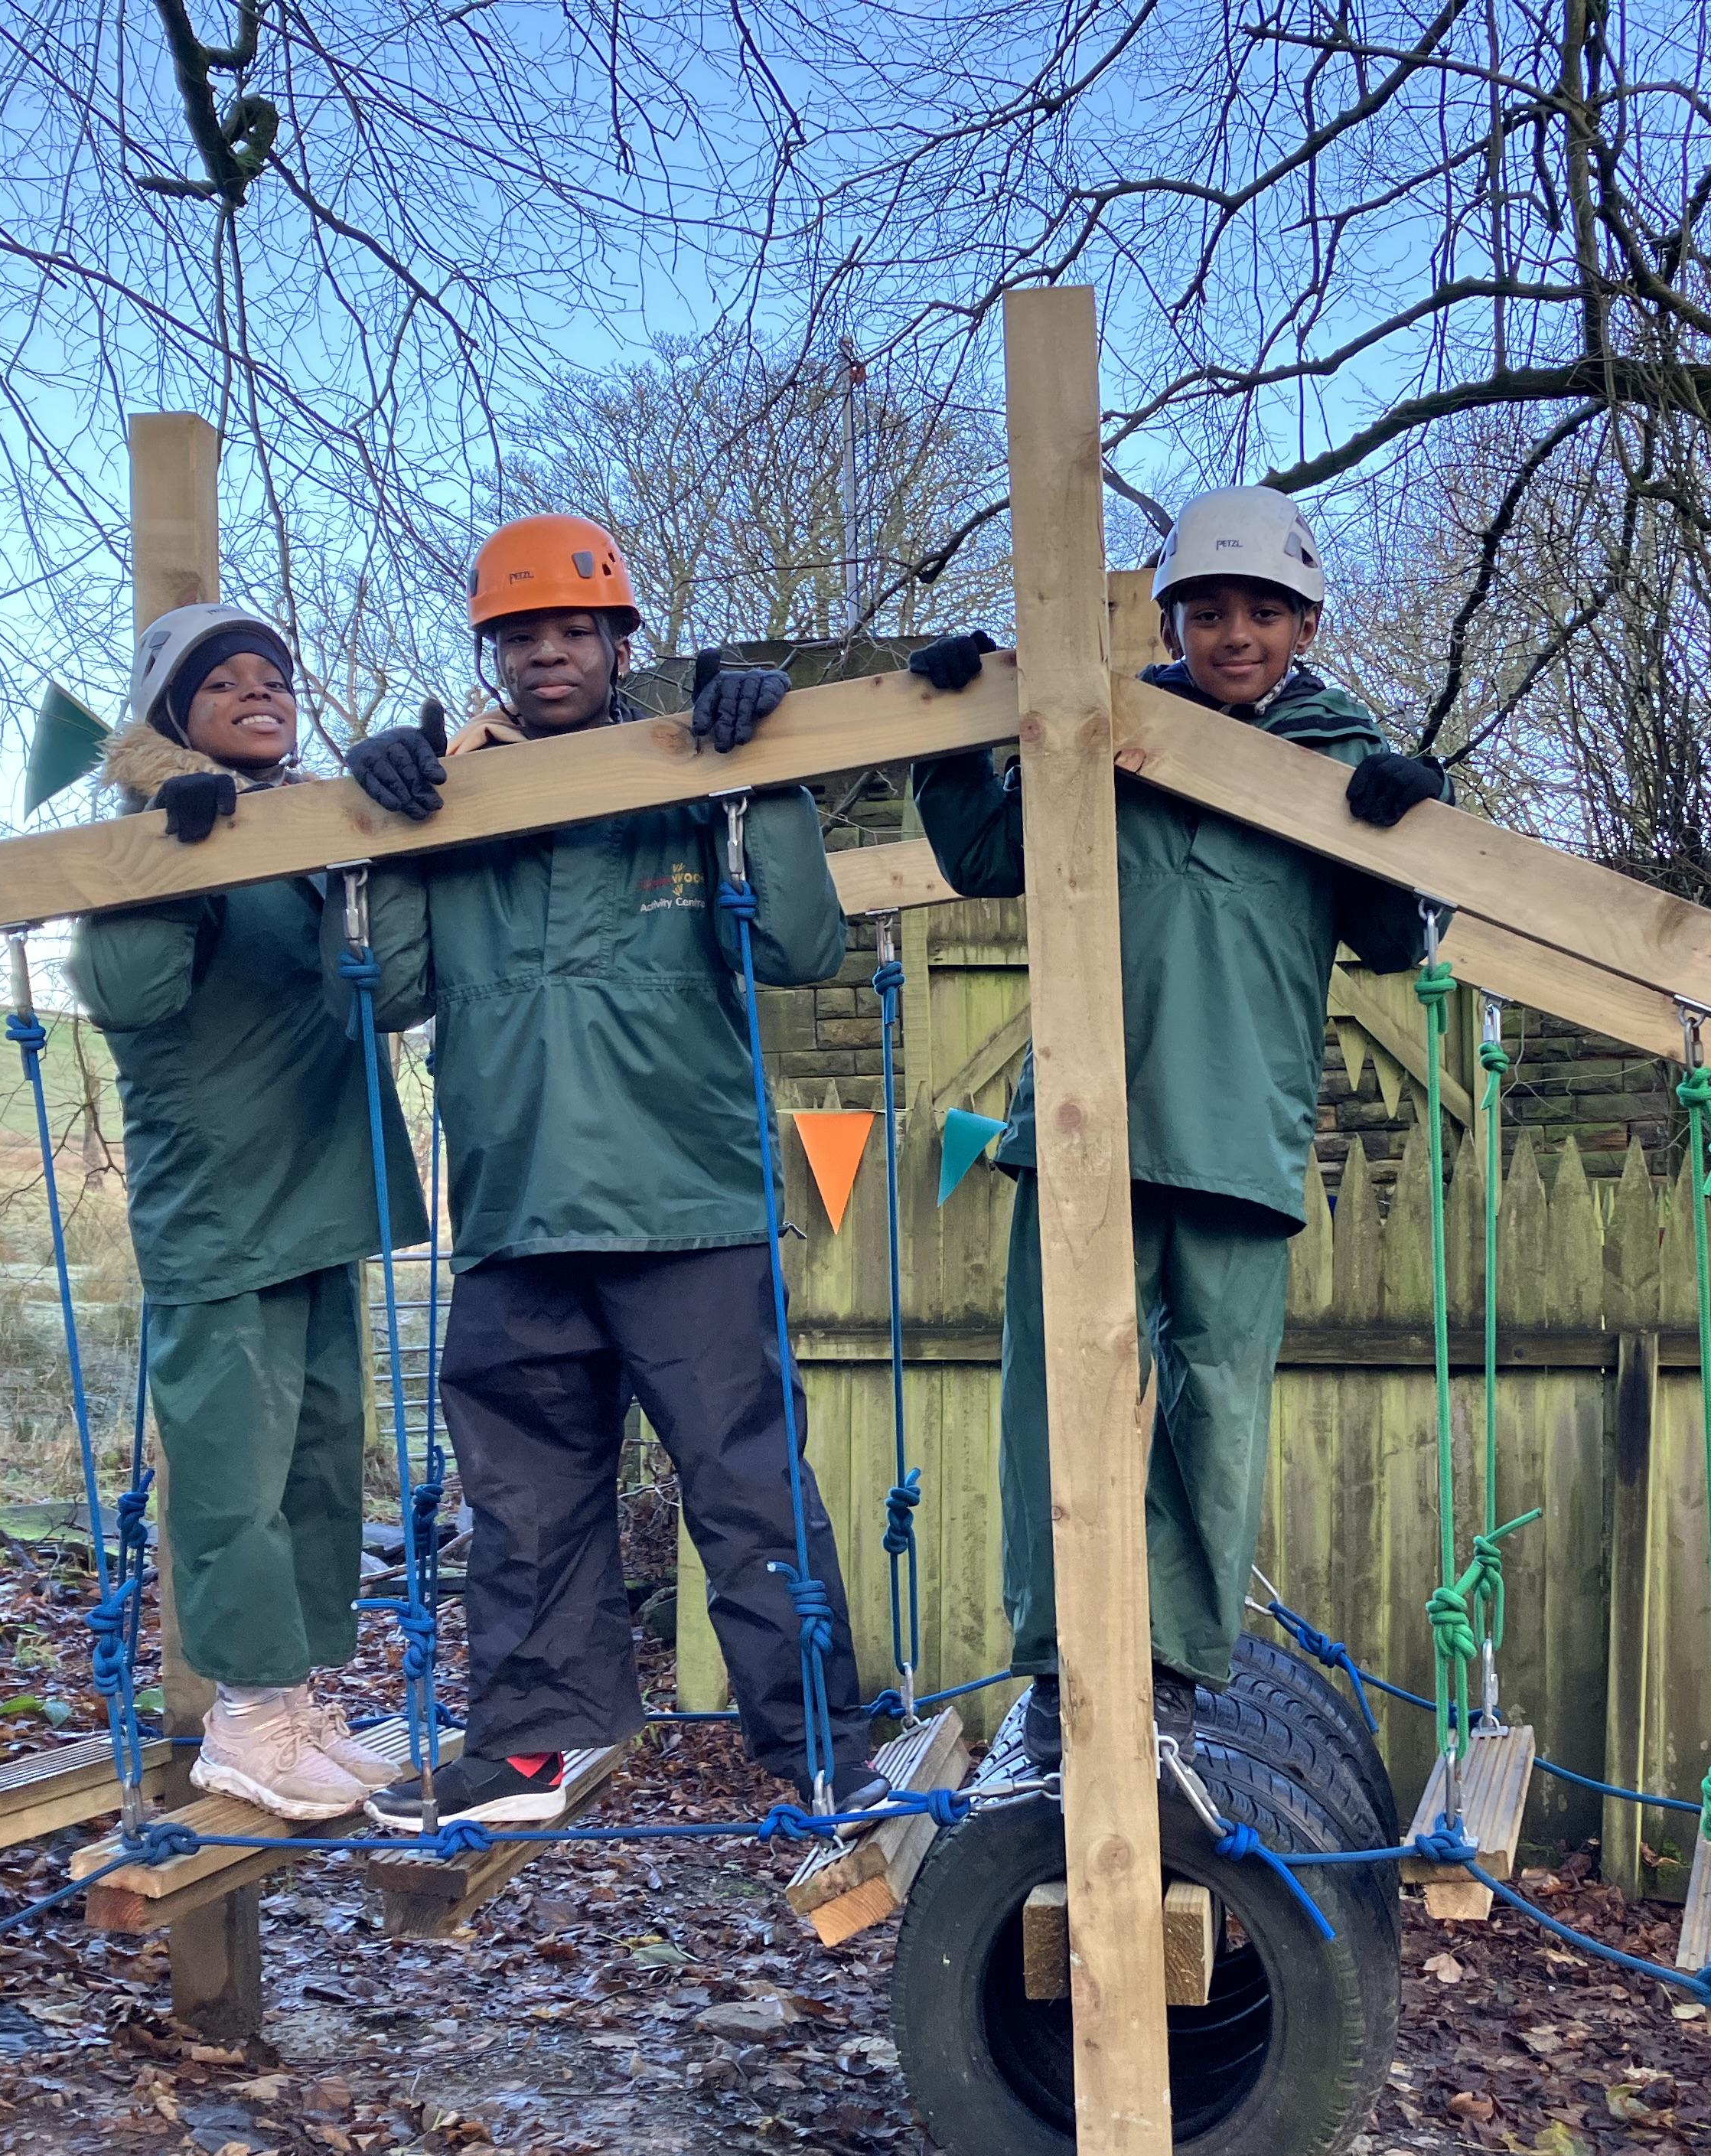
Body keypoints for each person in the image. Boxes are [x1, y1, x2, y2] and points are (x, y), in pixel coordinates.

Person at [337, 514, 880, 1828]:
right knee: (520, 1507)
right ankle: (530, 1749)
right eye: (519, 635)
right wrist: (382, 831)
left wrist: (763, 776)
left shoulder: (686, 777)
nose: (547, 654)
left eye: (573, 630)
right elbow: (390, 991)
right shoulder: (455, 805)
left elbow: (802, 946)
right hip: (517, 1217)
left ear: (621, 644)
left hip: (691, 1208)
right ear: (493, 656)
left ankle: (823, 1747)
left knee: (748, 1493)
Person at [905, 484, 1453, 1767]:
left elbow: (1396, 940)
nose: (1234, 634)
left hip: (1239, 1135)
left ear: (1307, 627)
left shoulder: (1335, 757)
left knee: (1216, 1417)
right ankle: (1064, 1666)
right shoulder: (1103, 734)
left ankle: (1179, 1668)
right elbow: (984, 855)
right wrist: (950, 726)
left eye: (1263, 611)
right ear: (1171, 625)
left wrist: (1407, 824)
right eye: (1207, 612)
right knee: (1058, 1402)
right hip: (1080, 1129)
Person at [67, 604, 427, 1819]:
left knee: (319, 1470)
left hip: (321, 1196)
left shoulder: (304, 831)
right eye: (222, 681)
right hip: (223, 1209)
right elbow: (129, 993)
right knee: (232, 1479)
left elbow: (381, 980)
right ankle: (244, 1717)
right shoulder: (154, 834)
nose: (258, 691)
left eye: (273, 677)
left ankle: (297, 1697)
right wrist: (170, 861)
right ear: (174, 714)